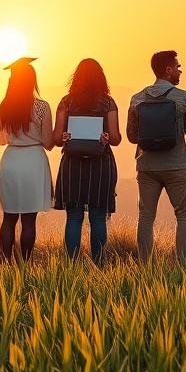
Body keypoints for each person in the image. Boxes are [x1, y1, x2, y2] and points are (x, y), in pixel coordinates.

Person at [126, 50, 186, 261]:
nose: (180, 71)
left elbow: (132, 136)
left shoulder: (137, 98)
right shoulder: (182, 97)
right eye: (178, 67)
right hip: (176, 165)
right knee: (184, 215)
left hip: (147, 166)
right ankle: (183, 264)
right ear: (168, 69)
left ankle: (145, 266)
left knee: (145, 217)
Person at [53, 58, 121, 265]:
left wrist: (65, 136)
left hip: (72, 164)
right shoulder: (108, 102)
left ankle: (71, 266)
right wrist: (106, 138)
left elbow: (56, 139)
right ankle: (99, 265)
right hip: (100, 164)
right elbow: (116, 139)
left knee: (73, 217)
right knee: (98, 217)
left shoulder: (66, 102)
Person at [0, 57, 54, 262]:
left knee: (8, 218)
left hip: (11, 160)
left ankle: (5, 262)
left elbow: (1, 140)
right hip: (34, 161)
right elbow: (48, 142)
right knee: (29, 220)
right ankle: (24, 265)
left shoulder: (5, 106)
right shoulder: (42, 107)